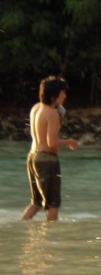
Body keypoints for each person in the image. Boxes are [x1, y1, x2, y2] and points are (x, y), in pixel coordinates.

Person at [21, 76, 79, 222]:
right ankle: (50, 240)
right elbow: (51, 143)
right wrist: (70, 142)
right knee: (53, 204)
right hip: (46, 160)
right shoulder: (51, 113)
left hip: (33, 157)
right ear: (54, 96)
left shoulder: (36, 108)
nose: (65, 95)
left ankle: (21, 226)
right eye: (62, 93)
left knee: (37, 202)